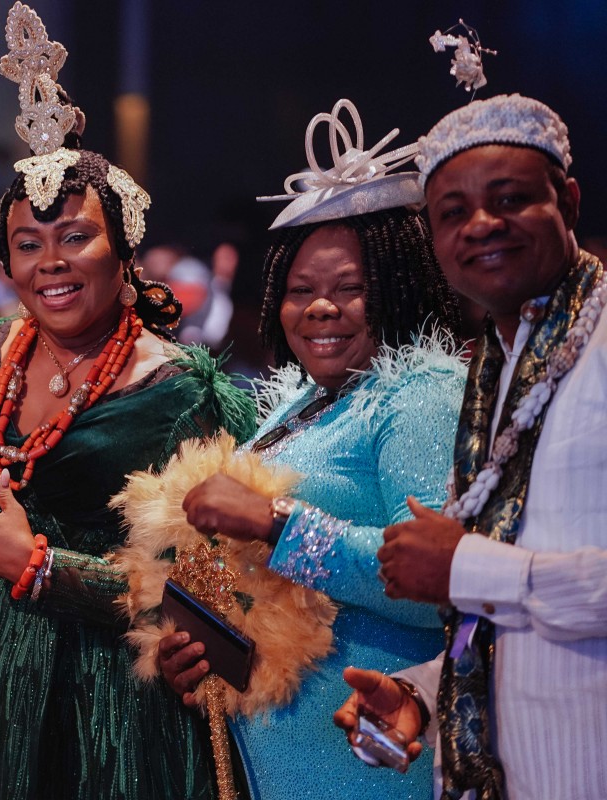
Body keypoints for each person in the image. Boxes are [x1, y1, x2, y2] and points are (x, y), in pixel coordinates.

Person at [0, 6, 257, 799]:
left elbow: (212, 597)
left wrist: (44, 568)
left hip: (112, 715)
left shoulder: (182, 394)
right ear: (5, 262)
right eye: (28, 245)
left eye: (76, 238)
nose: (51, 263)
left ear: (123, 251)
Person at [152, 99, 466, 799]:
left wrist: (276, 525)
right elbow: (267, 589)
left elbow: (438, 588)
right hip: (281, 757)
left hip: (370, 757)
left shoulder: (418, 396)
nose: (321, 307)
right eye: (302, 291)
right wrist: (201, 646)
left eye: (351, 289)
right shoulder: (302, 401)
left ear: (399, 289)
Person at [335, 94, 607, 800]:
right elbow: (510, 622)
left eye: (510, 199)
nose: (481, 224)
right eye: (453, 212)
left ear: (568, 202)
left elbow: (490, 579)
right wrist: (424, 693)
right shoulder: (494, 370)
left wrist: (466, 567)